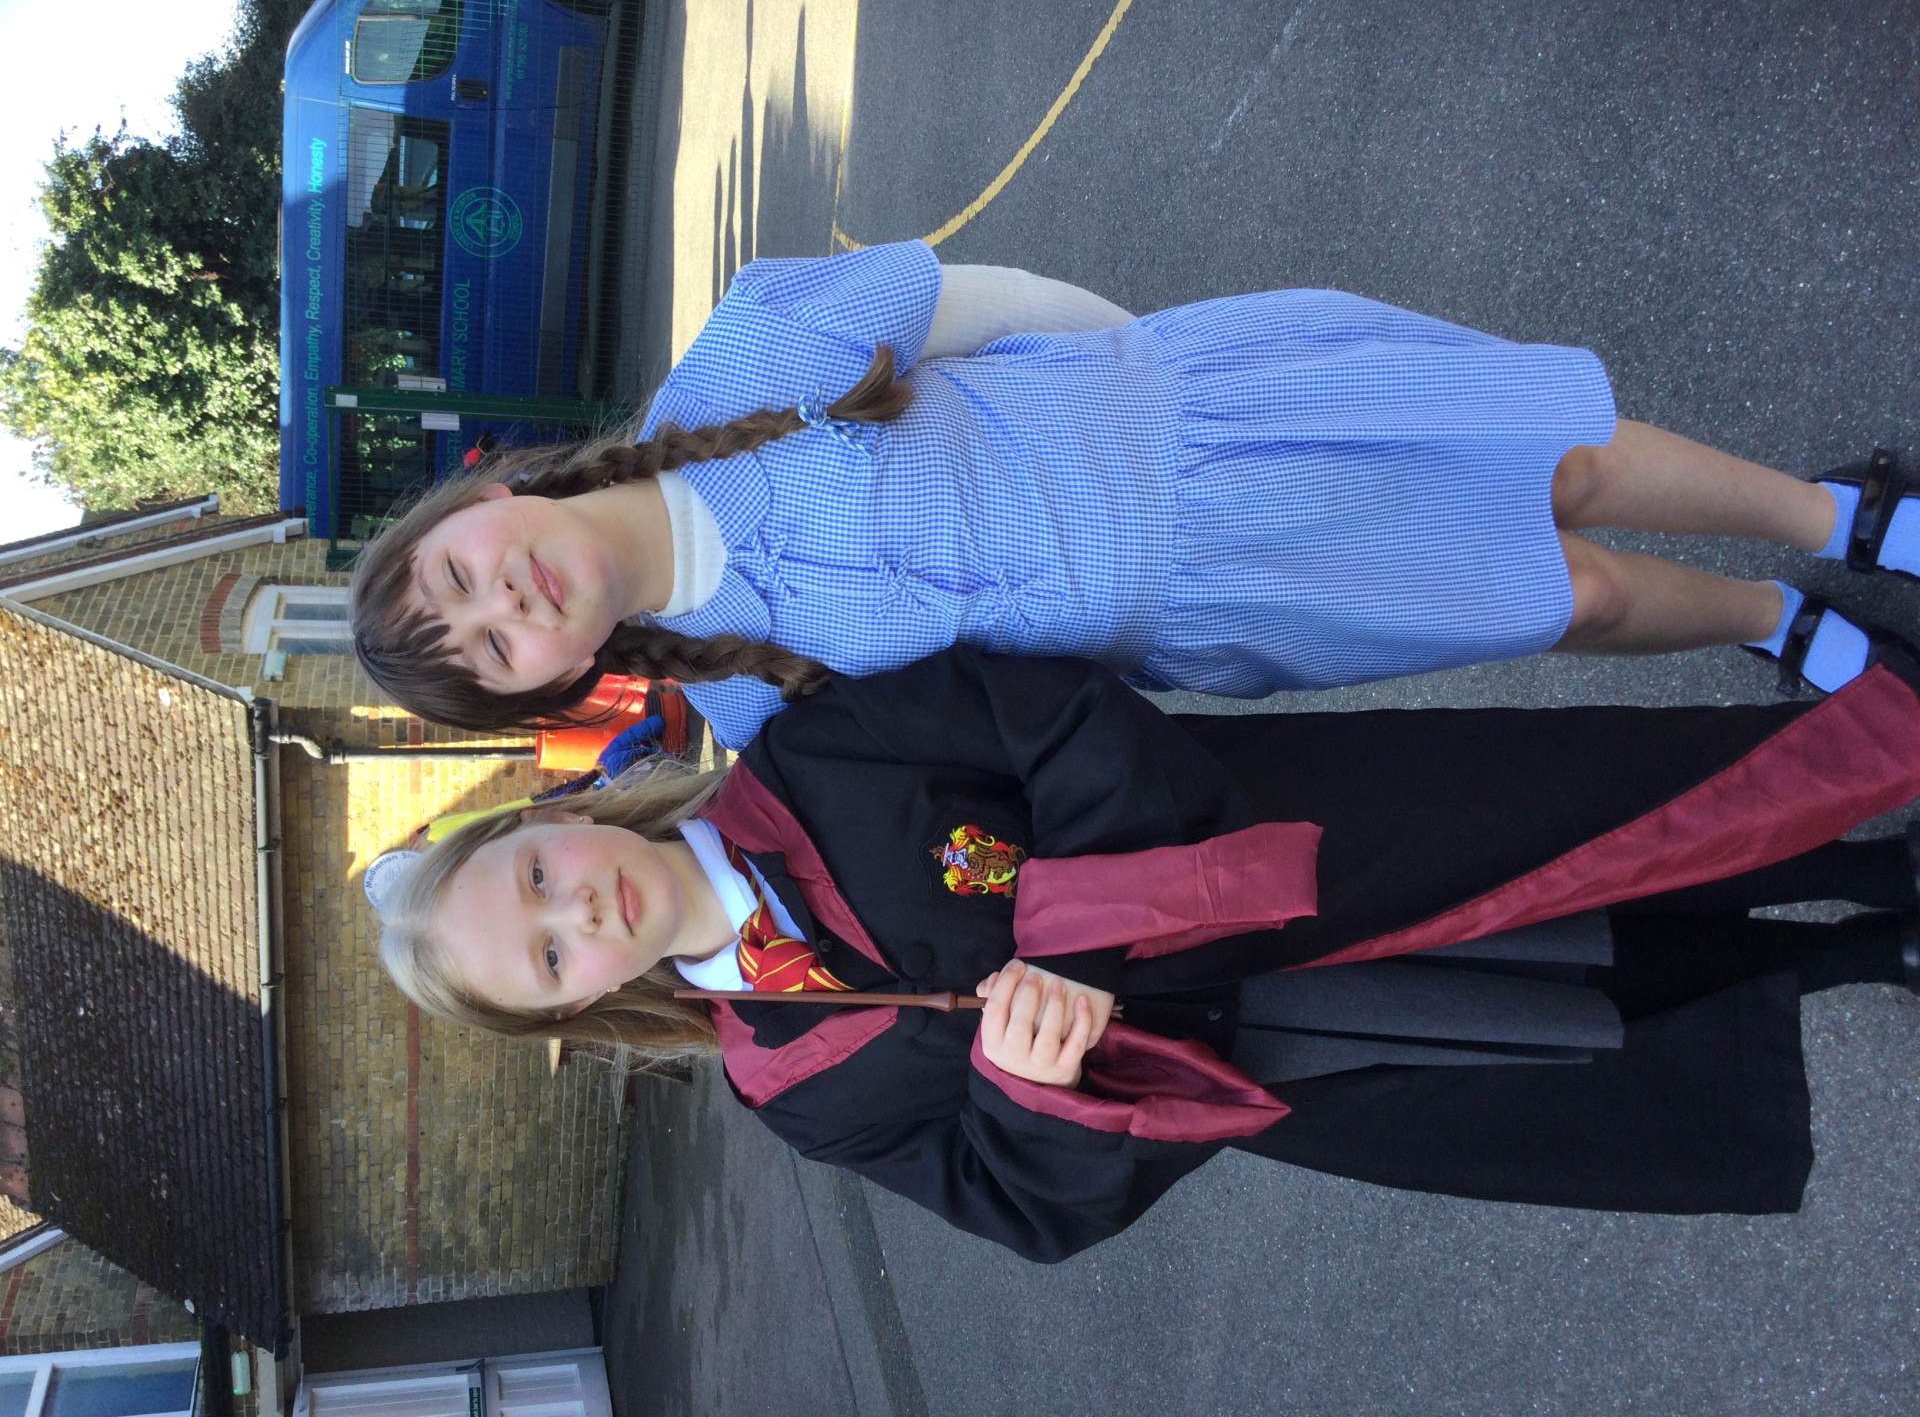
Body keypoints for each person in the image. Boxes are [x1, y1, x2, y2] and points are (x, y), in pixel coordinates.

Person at [373, 647, 1920, 1262]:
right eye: (548, 959)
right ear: (584, 1005)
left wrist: (1078, 914)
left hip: (1309, 856)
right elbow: (1011, 1202)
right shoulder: (796, 1089)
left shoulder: (818, 762)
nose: (580, 915)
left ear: (554, 818)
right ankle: (1865, 950)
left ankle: (1866, 839)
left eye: (538, 878)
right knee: (1591, 1025)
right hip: (1304, 1053)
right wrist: (1030, 1091)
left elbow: (1041, 711)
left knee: (1606, 830)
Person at [349, 243, 1920, 749]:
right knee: (1566, 591)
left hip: (1199, 417)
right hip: (1218, 604)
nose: (505, 604)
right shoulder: (760, 709)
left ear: (476, 501)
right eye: (487, 650)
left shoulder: (743, 351)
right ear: (548, 683)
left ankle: (1828, 517)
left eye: (460, 576)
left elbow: (979, 299)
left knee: (1555, 458)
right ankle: (1771, 618)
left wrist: (1160, 373)